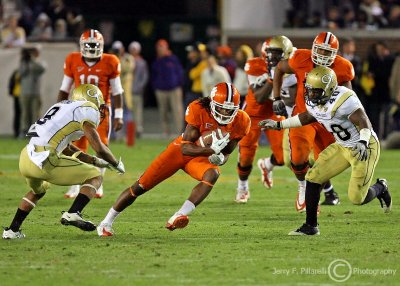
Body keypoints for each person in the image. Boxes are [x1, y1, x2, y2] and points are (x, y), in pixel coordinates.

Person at [96, 82, 251, 236]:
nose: (225, 113)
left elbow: (228, 152)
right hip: (180, 152)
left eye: (229, 110)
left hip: (200, 157)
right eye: (221, 107)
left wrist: (220, 158)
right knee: (140, 186)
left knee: (213, 174)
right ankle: (106, 222)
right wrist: (210, 150)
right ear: (212, 104)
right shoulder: (198, 108)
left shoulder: (241, 120)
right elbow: (185, 148)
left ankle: (179, 215)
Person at [260, 66, 392, 235]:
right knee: (313, 177)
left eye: (315, 91)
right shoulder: (314, 100)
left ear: (328, 89)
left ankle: (381, 187)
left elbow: (364, 121)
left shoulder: (344, 99)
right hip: (342, 146)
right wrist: (279, 125)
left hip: (363, 147)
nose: (311, 94)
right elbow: (307, 117)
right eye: (309, 90)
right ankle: (310, 226)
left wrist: (363, 141)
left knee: (357, 198)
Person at [2, 84, 125, 239]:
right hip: (45, 158)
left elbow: (66, 147)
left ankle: (12, 231)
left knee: (38, 191)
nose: (99, 110)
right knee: (95, 176)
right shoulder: (87, 108)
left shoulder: (61, 106)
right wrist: (115, 163)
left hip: (26, 157)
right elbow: (99, 147)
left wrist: (94, 160)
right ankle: (74, 213)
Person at [272, 31, 354, 211]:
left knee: (323, 166)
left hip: (327, 121)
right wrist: (276, 97)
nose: (323, 55)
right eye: (320, 50)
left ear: (335, 53)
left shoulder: (343, 66)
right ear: (313, 48)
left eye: (327, 51)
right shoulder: (301, 58)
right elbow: (279, 68)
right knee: (297, 158)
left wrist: (348, 120)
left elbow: (350, 98)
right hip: (303, 117)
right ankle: (302, 186)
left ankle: (314, 195)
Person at [58, 29, 124, 199]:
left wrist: (119, 115)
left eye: (95, 45)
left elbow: (117, 91)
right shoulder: (72, 59)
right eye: (89, 45)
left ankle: (97, 184)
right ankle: (74, 186)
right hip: (77, 110)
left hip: (100, 111)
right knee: (75, 147)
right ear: (82, 45)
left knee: (100, 147)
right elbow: (64, 89)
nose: (92, 48)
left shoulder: (111, 61)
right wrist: (59, 110)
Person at [235, 36, 296, 203]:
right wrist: (272, 77)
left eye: (278, 56)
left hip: (273, 112)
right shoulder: (254, 65)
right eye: (270, 56)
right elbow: (260, 97)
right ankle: (242, 186)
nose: (274, 60)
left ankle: (267, 164)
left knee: (284, 156)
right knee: (246, 155)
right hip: (253, 114)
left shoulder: (289, 65)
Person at [151, 39, 184, 137]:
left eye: (162, 47)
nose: (160, 49)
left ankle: (178, 133)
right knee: (163, 112)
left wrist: (179, 84)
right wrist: (155, 87)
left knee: (177, 111)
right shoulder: (157, 61)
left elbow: (180, 72)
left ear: (166, 48)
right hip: (161, 90)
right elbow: (153, 76)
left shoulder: (173, 59)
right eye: (159, 47)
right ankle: (166, 132)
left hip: (174, 89)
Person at [19, 46, 46, 137]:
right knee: (25, 113)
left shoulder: (40, 63)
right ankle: (24, 130)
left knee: (36, 113)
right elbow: (22, 72)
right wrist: (27, 61)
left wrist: (32, 60)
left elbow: (42, 69)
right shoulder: (23, 63)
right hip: (25, 92)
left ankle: (35, 130)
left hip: (36, 92)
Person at [129, 41, 149, 138]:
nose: (133, 51)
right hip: (127, 92)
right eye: (132, 49)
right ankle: (129, 131)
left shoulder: (142, 62)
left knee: (138, 112)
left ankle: (138, 129)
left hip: (137, 92)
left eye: (135, 49)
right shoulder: (126, 61)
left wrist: (139, 87)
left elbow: (144, 77)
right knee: (128, 112)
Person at [8, 69, 21, 138]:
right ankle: (16, 132)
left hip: (21, 95)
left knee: (20, 115)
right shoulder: (17, 72)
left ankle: (20, 132)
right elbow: (11, 82)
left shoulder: (17, 72)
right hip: (17, 95)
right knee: (18, 114)